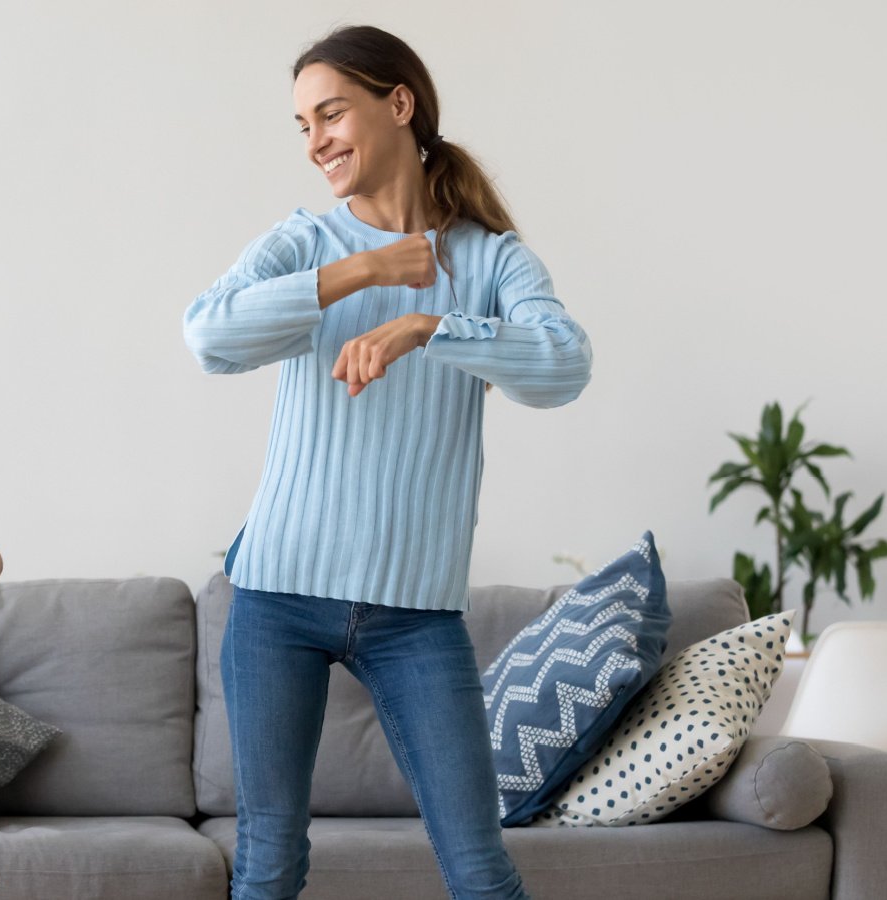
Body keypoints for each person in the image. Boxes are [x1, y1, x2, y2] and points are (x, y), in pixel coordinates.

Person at [181, 25, 593, 900]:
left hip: (416, 613)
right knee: (268, 859)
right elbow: (208, 336)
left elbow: (564, 364)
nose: (316, 140)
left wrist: (431, 326)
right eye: (302, 125)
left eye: (331, 113)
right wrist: (362, 271)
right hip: (276, 597)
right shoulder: (304, 241)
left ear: (398, 104)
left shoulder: (487, 259)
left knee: (479, 869)